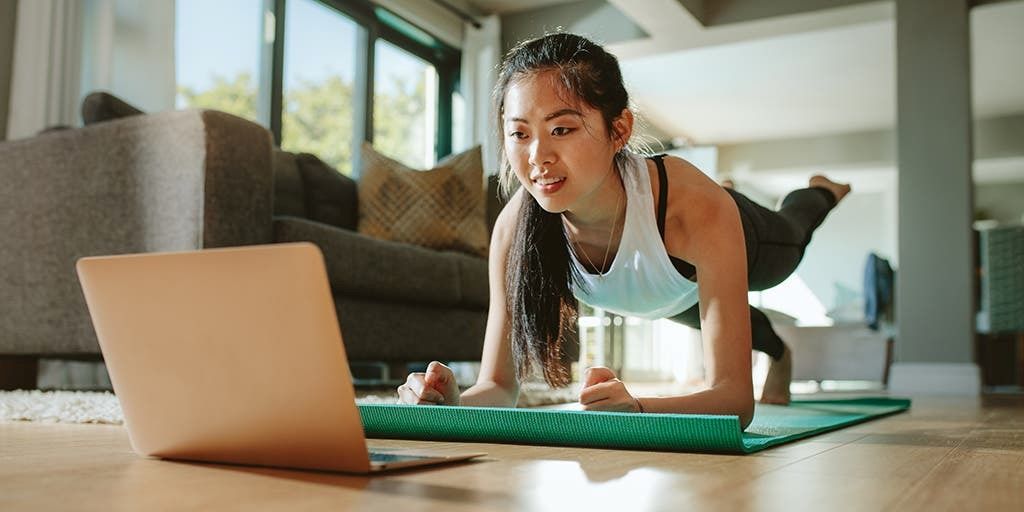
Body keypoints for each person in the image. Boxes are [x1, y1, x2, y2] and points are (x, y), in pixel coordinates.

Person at [396, 33, 850, 429]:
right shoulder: (515, 229)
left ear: (619, 129)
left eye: (562, 128)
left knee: (794, 234)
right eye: (519, 134)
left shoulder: (692, 208)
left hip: (745, 239)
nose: (538, 157)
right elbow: (497, 387)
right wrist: (450, 403)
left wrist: (638, 407)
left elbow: (734, 400)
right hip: (664, 291)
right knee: (734, 323)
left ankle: (820, 191)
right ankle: (779, 351)